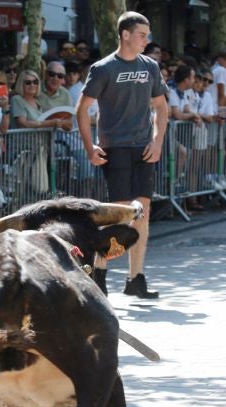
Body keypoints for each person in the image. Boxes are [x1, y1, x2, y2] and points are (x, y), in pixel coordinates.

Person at [76, 11, 167, 299]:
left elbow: (161, 107)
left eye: (148, 35)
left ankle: (135, 278)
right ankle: (100, 274)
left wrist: (157, 141)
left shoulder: (150, 67)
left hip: (143, 148)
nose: (146, 40)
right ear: (125, 35)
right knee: (118, 213)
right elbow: (82, 109)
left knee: (142, 212)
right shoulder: (103, 68)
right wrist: (90, 148)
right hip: (114, 148)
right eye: (142, 35)